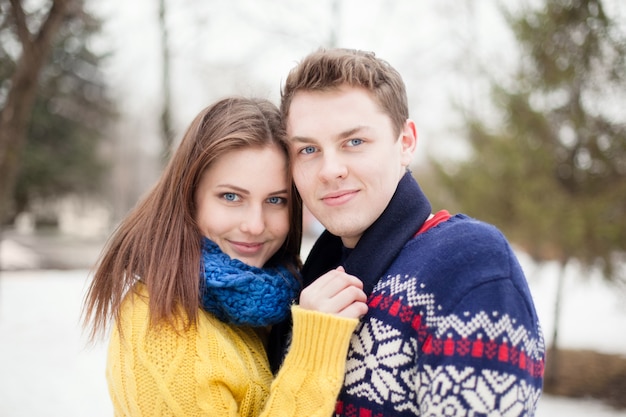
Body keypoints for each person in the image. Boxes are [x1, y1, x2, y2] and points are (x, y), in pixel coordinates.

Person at [268, 48, 546, 416]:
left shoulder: (468, 264)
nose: (329, 170)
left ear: (406, 143)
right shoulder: (307, 285)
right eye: (308, 149)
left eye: (354, 142)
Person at [82, 96, 368, 417]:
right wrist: (313, 352)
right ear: (189, 198)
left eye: (276, 200)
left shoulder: (274, 293)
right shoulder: (162, 326)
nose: (255, 225)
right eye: (231, 197)